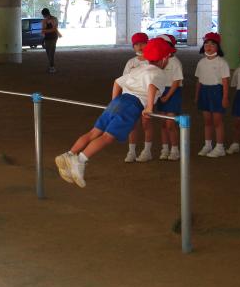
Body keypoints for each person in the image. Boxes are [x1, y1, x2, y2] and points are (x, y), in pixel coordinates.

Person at [55, 37, 172, 188]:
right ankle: (80, 162)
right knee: (107, 137)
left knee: (93, 132)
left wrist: (114, 102)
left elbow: (117, 82)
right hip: (132, 105)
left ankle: (69, 154)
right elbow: (151, 87)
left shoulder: (138, 69)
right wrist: (149, 107)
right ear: (164, 58)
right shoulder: (159, 73)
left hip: (118, 102)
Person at [194, 32, 230, 158]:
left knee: (217, 121)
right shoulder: (201, 62)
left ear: (218, 47)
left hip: (217, 91)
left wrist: (225, 97)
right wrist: (197, 95)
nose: (209, 46)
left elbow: (225, 82)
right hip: (204, 91)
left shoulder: (222, 62)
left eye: (212, 44)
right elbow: (198, 81)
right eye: (206, 44)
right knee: (207, 121)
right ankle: (208, 145)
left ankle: (220, 147)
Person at [122, 32, 153, 163]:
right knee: (133, 124)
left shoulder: (152, 61)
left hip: (146, 97)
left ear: (148, 44)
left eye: (143, 43)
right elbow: (124, 80)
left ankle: (147, 151)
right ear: (133, 47)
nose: (140, 46)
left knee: (146, 123)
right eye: (136, 44)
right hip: (132, 98)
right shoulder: (131, 62)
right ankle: (131, 151)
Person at [156, 34, 184, 161]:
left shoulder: (175, 62)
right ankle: (165, 148)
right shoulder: (159, 60)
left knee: (170, 123)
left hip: (173, 93)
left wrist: (167, 96)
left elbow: (176, 82)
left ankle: (175, 150)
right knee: (163, 123)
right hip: (161, 91)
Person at [41, 8, 60, 73]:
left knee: (51, 52)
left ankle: (52, 67)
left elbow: (54, 28)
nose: (43, 16)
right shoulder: (45, 20)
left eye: (43, 15)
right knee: (48, 53)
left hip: (53, 37)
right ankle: (51, 66)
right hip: (47, 38)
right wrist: (43, 39)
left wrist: (45, 31)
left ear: (46, 14)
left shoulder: (54, 19)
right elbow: (43, 30)